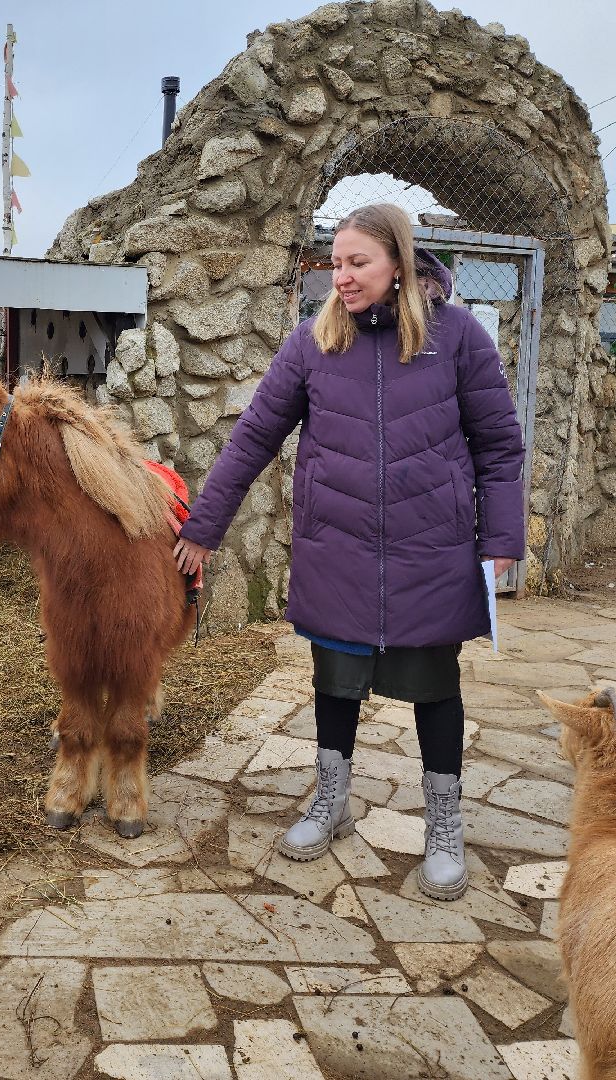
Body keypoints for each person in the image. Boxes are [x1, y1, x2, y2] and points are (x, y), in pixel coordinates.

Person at [174, 203, 524, 901]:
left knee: (434, 686)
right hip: (338, 546)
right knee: (333, 678)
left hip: (433, 549)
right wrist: (203, 527)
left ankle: (444, 825)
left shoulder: (458, 339)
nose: (343, 276)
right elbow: (252, 439)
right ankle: (330, 801)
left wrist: (503, 541)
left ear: (399, 262)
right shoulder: (313, 342)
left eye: (357, 262)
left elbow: (498, 446)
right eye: (335, 264)